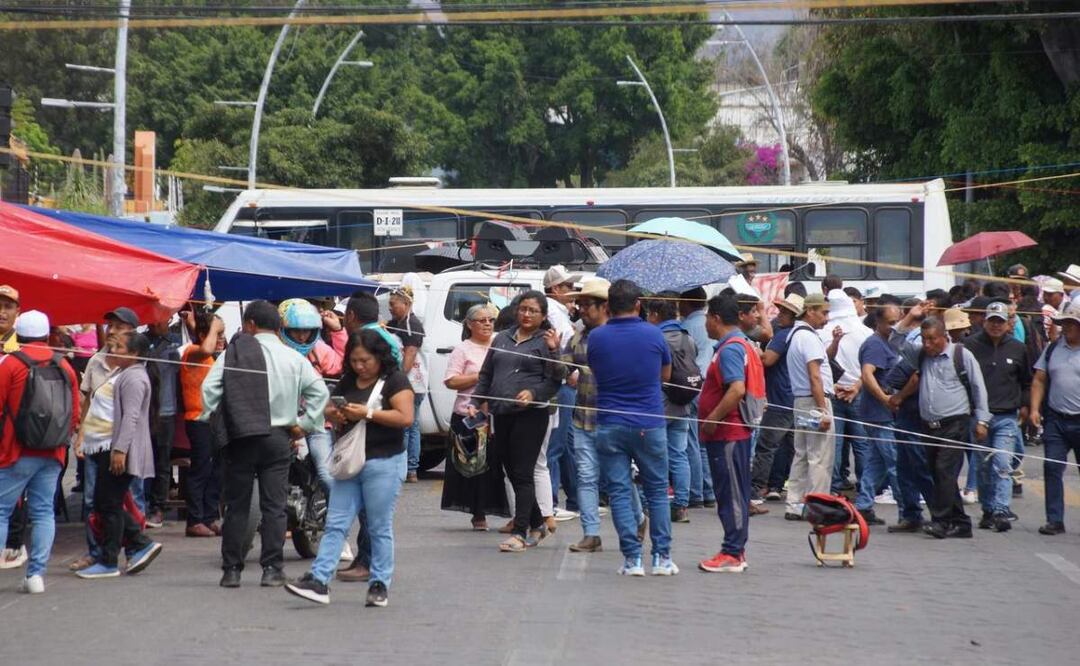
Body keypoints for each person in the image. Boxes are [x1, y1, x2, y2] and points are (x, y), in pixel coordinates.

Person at [201, 300, 329, 588]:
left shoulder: (233, 355)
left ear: (250, 325)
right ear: (279, 327)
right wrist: (303, 425)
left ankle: (231, 571)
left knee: (238, 506)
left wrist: (219, 420)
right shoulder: (294, 358)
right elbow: (320, 394)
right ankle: (272, 569)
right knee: (275, 506)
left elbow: (208, 391)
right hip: (278, 437)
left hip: (242, 437)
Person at [285, 329, 413, 607]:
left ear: (380, 357)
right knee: (336, 523)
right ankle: (319, 581)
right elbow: (330, 408)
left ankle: (379, 583)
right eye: (354, 360)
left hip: (384, 461)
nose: (359, 366)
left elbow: (405, 417)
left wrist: (366, 413)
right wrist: (334, 412)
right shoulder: (347, 381)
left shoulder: (395, 380)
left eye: (365, 360)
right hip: (349, 463)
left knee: (379, 526)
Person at [587, 279, 678, 576]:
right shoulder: (655, 334)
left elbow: (597, 372)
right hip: (649, 422)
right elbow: (664, 375)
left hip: (610, 422)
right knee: (657, 491)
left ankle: (632, 559)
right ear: (638, 305)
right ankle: (662, 558)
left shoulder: (597, 337)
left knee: (620, 492)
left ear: (608, 306)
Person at [468, 291, 565, 553]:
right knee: (509, 470)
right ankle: (536, 523)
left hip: (531, 415)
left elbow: (557, 378)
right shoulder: (502, 338)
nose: (526, 314)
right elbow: (487, 375)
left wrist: (534, 393)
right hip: (501, 412)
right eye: (523, 309)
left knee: (523, 472)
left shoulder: (546, 341)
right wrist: (475, 403)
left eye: (533, 310)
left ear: (543, 315)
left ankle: (521, 532)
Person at [0, 310, 80, 593]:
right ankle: (36, 576)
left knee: (1, 510)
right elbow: (74, 413)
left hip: (15, 452)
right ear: (48, 335)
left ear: (17, 335)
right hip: (52, 453)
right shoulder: (64, 366)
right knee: (43, 512)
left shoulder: (11, 364)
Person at [77, 331, 164, 579]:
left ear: (135, 354)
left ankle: (109, 560)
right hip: (107, 447)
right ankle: (138, 542)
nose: (114, 351)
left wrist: (119, 450)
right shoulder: (124, 373)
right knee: (108, 503)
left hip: (117, 450)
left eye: (120, 348)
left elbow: (131, 417)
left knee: (108, 504)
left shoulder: (135, 378)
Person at [331, 291, 400, 584]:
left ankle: (368, 563)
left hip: (371, 434)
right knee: (371, 510)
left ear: (351, 317)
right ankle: (365, 562)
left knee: (372, 511)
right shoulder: (387, 336)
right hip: (380, 431)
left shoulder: (364, 342)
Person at [697, 294, 765, 573]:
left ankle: (733, 552)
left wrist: (713, 418)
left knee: (732, 495)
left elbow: (736, 389)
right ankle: (734, 548)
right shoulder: (735, 345)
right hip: (729, 433)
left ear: (715, 319)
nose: (705, 323)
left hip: (729, 433)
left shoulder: (731, 349)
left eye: (706, 318)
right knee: (730, 492)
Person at [914, 316, 990, 539]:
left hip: (954, 423)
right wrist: (910, 316)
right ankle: (961, 523)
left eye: (932, 339)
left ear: (943, 336)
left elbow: (978, 387)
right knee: (938, 475)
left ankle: (941, 521)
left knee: (944, 470)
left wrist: (983, 421)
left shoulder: (961, 355)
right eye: (924, 339)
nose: (928, 344)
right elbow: (897, 341)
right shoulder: (922, 355)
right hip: (929, 426)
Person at [963, 301, 1030, 533]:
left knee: (1002, 463)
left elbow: (1026, 381)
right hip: (978, 416)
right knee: (982, 465)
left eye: (1000, 321)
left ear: (1007, 323)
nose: (995, 325)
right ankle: (988, 510)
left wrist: (1025, 405)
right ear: (985, 320)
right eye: (992, 320)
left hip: (1007, 417)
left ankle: (1002, 509)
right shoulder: (969, 345)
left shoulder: (1018, 348)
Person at [440, 304, 509, 531]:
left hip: (499, 413)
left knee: (499, 465)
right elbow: (451, 381)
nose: (488, 324)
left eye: (491, 319)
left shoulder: (500, 344)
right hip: (470, 414)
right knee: (475, 467)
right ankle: (478, 513)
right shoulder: (463, 349)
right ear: (470, 324)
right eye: (482, 320)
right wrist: (479, 376)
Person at [564, 278, 614, 553]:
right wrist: (551, 352)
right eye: (580, 304)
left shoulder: (618, 335)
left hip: (612, 421)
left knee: (616, 477)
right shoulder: (577, 337)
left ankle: (637, 518)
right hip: (583, 418)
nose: (581, 309)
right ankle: (591, 533)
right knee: (585, 477)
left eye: (587, 305)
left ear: (604, 307)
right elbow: (561, 369)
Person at [1029, 302, 1080, 535]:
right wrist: (1034, 409)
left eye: (1072, 323)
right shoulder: (1053, 349)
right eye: (1065, 323)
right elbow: (1039, 378)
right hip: (1056, 419)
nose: (1066, 327)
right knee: (1051, 467)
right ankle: (1054, 519)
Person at [784, 293, 835, 521]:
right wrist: (824, 410)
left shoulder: (795, 336)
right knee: (819, 456)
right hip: (815, 400)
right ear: (810, 311)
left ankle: (794, 504)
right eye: (824, 313)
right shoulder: (809, 338)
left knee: (802, 453)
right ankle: (817, 506)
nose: (826, 318)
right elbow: (815, 377)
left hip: (801, 401)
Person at [645, 293, 695, 524]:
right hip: (683, 403)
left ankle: (653, 503)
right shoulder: (688, 337)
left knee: (655, 454)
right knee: (679, 454)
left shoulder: (655, 338)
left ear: (655, 314)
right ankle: (682, 506)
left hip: (660, 403)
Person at [752, 293, 803, 503]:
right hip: (794, 396)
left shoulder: (783, 335)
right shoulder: (800, 334)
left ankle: (755, 489)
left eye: (784, 312)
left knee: (766, 446)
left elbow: (768, 360)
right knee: (788, 446)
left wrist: (754, 351)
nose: (780, 314)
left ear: (793, 316)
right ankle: (777, 484)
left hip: (779, 397)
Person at [856, 304, 903, 526]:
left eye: (896, 322)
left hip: (881, 414)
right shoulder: (875, 344)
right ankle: (907, 511)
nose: (893, 327)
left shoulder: (888, 343)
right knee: (895, 463)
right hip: (879, 414)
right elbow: (867, 374)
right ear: (878, 323)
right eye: (890, 323)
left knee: (877, 462)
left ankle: (863, 506)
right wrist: (884, 399)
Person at [179, 311, 225, 538]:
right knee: (200, 470)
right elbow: (204, 346)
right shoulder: (191, 353)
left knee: (216, 471)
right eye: (217, 334)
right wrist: (213, 327)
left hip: (213, 420)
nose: (220, 338)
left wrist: (197, 324)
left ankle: (209, 517)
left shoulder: (206, 356)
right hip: (198, 420)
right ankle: (194, 520)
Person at [823, 290, 871, 495]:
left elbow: (822, 362)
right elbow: (871, 366)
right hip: (859, 392)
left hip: (834, 392)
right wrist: (857, 387)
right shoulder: (865, 332)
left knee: (834, 443)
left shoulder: (823, 331)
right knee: (861, 443)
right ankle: (866, 486)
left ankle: (833, 487)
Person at [543, 265, 580, 521]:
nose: (572, 292)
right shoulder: (553, 312)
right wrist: (569, 373)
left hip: (568, 378)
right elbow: (561, 348)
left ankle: (575, 499)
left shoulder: (560, 311)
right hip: (563, 380)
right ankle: (552, 502)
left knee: (567, 442)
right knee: (556, 445)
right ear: (555, 289)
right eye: (568, 287)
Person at [679, 287, 715, 510]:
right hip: (711, 387)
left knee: (690, 441)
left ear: (687, 303)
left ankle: (695, 492)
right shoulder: (711, 323)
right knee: (703, 443)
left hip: (691, 386)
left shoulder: (686, 327)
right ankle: (708, 490)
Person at [144, 319, 181, 528]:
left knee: (162, 461)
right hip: (144, 409)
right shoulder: (141, 340)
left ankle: (158, 506)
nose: (154, 323)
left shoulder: (175, 341)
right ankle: (142, 503)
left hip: (167, 409)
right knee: (143, 460)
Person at [388, 287, 426, 484]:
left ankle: (408, 468)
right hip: (408, 384)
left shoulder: (412, 325)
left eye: (393, 304)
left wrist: (398, 381)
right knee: (410, 426)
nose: (390, 308)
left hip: (412, 384)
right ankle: (408, 469)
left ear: (406, 304)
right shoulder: (398, 323)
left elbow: (409, 357)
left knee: (407, 426)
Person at [1040, 278, 1066, 343]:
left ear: (1061, 295)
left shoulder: (1069, 309)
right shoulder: (1046, 309)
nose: (1045, 297)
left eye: (1050, 294)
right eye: (1044, 294)